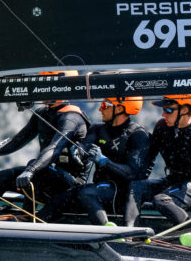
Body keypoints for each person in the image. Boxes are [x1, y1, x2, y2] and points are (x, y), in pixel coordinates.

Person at [0, 71, 89, 217]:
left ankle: (27, 216)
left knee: (35, 167)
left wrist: (31, 169)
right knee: (3, 176)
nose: (41, 88)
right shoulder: (42, 112)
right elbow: (19, 139)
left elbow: (54, 148)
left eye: (46, 84)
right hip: (46, 176)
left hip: (70, 185)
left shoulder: (71, 118)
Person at [37, 95, 149, 224]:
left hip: (122, 194)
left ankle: (108, 234)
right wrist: (78, 150)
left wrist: (105, 161)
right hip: (99, 188)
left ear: (119, 109)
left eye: (105, 105)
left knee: (86, 193)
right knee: (61, 198)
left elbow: (132, 173)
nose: (100, 109)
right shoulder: (97, 128)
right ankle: (35, 224)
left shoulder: (137, 134)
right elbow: (85, 144)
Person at [125, 93, 191, 227]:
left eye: (168, 110)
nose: (163, 114)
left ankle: (190, 232)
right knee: (136, 186)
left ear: (184, 110)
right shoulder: (162, 127)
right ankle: (129, 233)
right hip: (175, 181)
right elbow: (148, 160)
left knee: (161, 200)